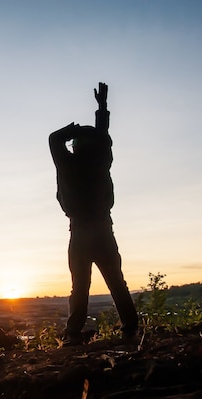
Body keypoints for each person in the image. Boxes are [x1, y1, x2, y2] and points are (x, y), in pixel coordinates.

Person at [49, 82, 138, 345]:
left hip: (80, 233)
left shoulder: (68, 165)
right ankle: (131, 328)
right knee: (115, 281)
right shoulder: (102, 163)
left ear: (75, 145)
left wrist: (75, 128)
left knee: (80, 286)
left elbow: (55, 139)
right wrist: (101, 109)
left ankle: (73, 335)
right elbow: (102, 138)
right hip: (103, 230)